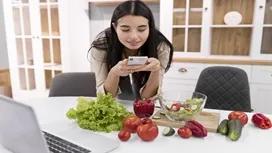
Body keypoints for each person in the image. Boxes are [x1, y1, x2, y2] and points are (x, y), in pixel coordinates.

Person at [89, 0, 174, 101]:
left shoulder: (161, 47)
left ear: (149, 27)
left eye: (141, 29)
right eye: (125, 29)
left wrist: (156, 70)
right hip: (116, 104)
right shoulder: (101, 46)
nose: (134, 37)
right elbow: (105, 97)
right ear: (115, 27)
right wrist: (114, 73)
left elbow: (147, 98)